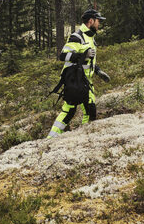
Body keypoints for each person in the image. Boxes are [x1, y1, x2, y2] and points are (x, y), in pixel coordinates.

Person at [48, 9, 111, 138]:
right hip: (74, 81)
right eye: (98, 21)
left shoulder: (91, 38)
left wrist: (98, 71)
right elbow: (63, 56)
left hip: (86, 82)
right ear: (91, 21)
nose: (99, 24)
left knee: (90, 109)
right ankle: (50, 138)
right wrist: (82, 54)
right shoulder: (77, 37)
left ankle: (85, 136)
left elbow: (88, 61)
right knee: (69, 111)